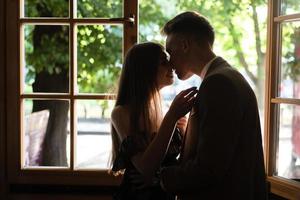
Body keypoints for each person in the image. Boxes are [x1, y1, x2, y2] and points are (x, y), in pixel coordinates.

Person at [160, 11, 267, 200]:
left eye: (170, 51)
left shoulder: (218, 84)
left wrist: (161, 178)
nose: (169, 61)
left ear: (185, 45)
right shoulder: (226, 76)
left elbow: (209, 167)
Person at [110, 42, 197, 200]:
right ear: (144, 70)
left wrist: (183, 132)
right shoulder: (121, 113)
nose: (171, 65)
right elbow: (145, 167)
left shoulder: (163, 110)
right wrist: (171, 118)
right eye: (164, 62)